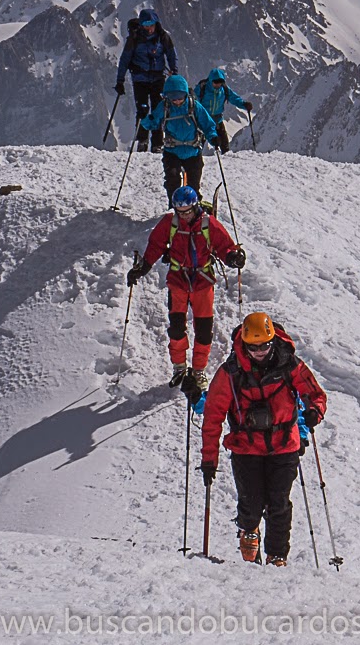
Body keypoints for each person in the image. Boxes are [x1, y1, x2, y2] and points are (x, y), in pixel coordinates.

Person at [199, 312, 327, 567]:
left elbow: (315, 394)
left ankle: (277, 556)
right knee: (251, 502)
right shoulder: (230, 373)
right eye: (253, 347)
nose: (259, 352)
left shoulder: (289, 364)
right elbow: (213, 417)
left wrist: (315, 411)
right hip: (246, 448)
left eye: (264, 346)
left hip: (284, 445)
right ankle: (248, 530)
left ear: (272, 341)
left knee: (279, 503)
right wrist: (209, 460)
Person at [126, 186, 246, 396]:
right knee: (176, 328)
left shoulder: (208, 224)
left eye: (188, 211)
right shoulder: (170, 223)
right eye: (180, 212)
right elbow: (155, 246)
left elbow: (224, 246)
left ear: (196, 206)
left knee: (203, 330)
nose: (184, 216)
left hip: (202, 281)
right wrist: (142, 268)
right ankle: (179, 368)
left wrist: (233, 257)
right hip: (178, 280)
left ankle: (198, 370)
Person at [140, 75, 219, 202]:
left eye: (180, 97)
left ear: (186, 94)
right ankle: (174, 206)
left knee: (193, 185)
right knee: (172, 181)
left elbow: (207, 124)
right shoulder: (164, 107)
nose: (177, 101)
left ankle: (193, 207)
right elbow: (152, 123)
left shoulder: (194, 106)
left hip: (193, 152)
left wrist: (213, 137)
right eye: (173, 97)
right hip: (172, 152)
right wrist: (144, 117)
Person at [114, 9, 177, 152]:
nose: (149, 28)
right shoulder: (134, 38)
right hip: (140, 79)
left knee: (158, 110)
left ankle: (157, 143)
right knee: (142, 109)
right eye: (146, 25)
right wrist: (120, 81)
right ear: (141, 25)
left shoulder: (163, 37)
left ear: (156, 24)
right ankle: (143, 141)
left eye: (151, 24)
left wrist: (174, 72)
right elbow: (124, 60)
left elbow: (171, 55)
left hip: (157, 78)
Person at [194, 68, 251, 154]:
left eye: (220, 82)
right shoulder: (202, 88)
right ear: (210, 80)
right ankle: (195, 160)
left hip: (218, 120)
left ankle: (226, 160)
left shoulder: (224, 89)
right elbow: (194, 100)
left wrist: (244, 104)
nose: (218, 84)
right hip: (203, 120)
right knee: (197, 146)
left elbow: (234, 98)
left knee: (225, 146)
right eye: (215, 82)